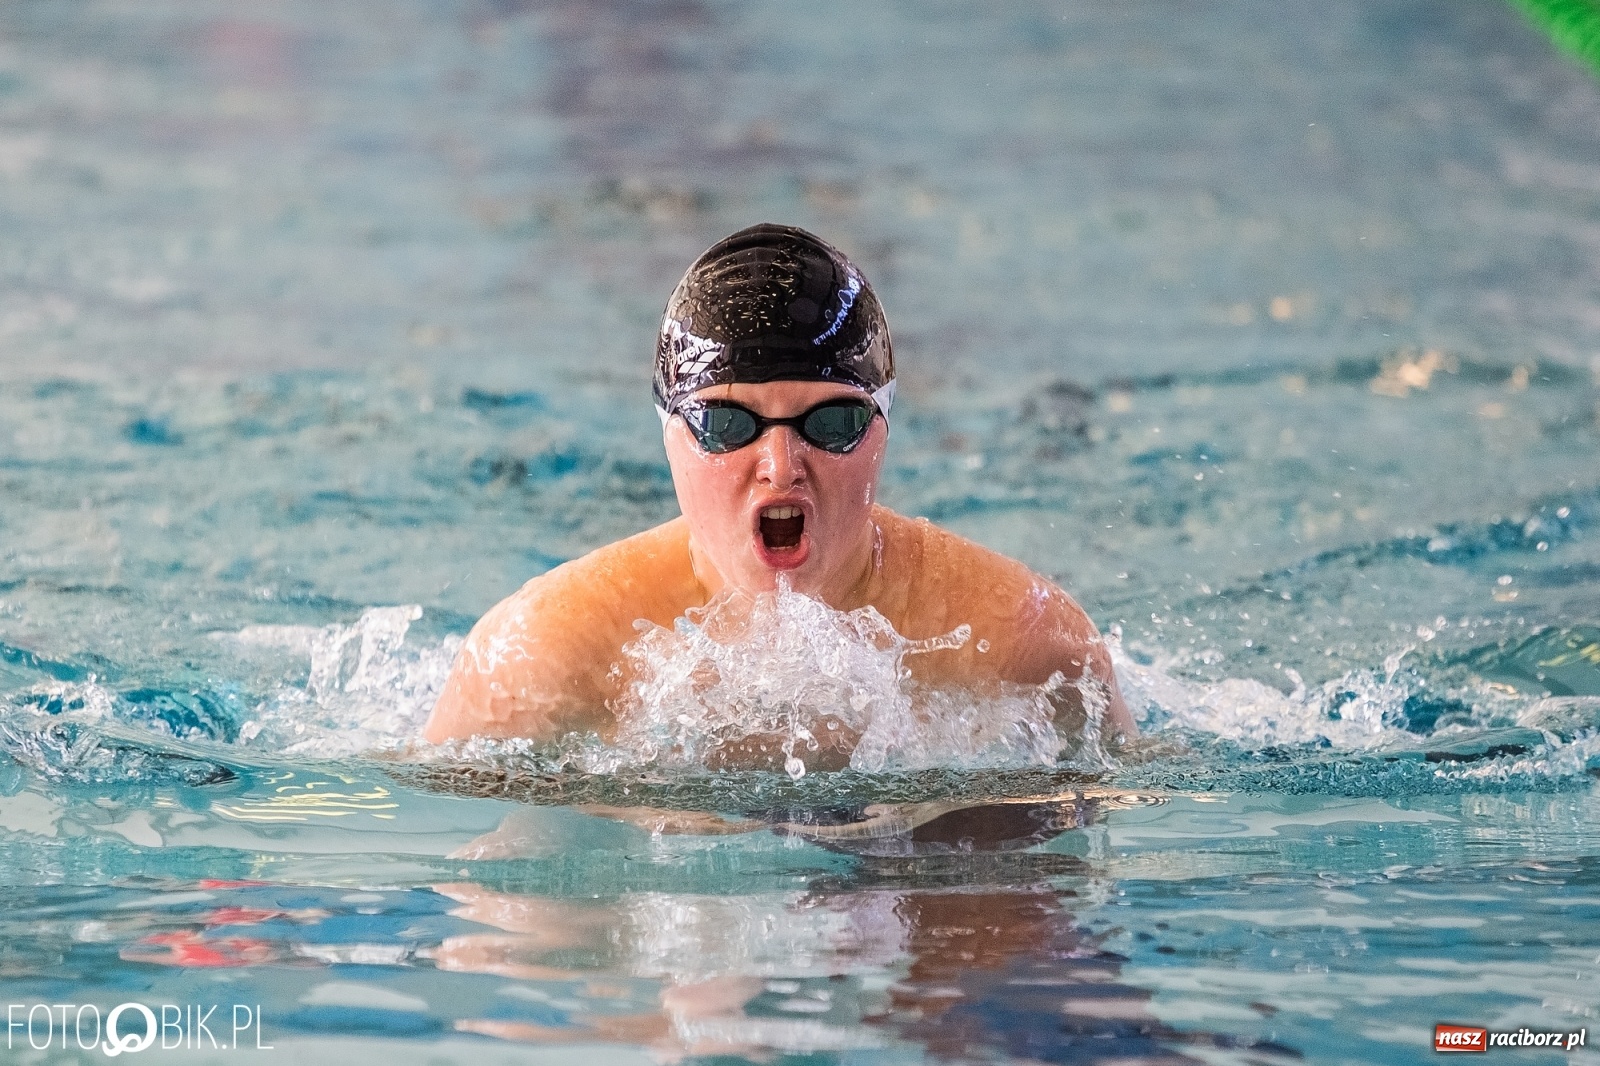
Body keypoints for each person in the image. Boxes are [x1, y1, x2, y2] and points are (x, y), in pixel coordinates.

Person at [423, 223, 1134, 754]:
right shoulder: (548, 651)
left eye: (832, 421)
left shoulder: (1021, 642)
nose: (781, 463)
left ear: (883, 430)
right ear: (669, 435)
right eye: (728, 423)